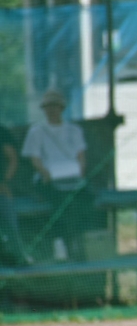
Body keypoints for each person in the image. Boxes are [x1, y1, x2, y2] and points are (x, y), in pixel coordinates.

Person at [21, 89, 87, 261]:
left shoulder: (74, 130)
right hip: (48, 179)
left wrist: (80, 172)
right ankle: (61, 244)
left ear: (62, 108)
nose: (52, 110)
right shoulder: (37, 131)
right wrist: (45, 173)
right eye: (48, 107)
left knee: (84, 200)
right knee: (58, 205)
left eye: (55, 106)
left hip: (72, 178)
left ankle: (80, 242)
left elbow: (81, 156)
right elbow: (35, 159)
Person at [0, 124, 31, 266]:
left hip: (2, 190)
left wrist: (4, 182)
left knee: (7, 214)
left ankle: (18, 255)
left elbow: (12, 159)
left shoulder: (2, 131)